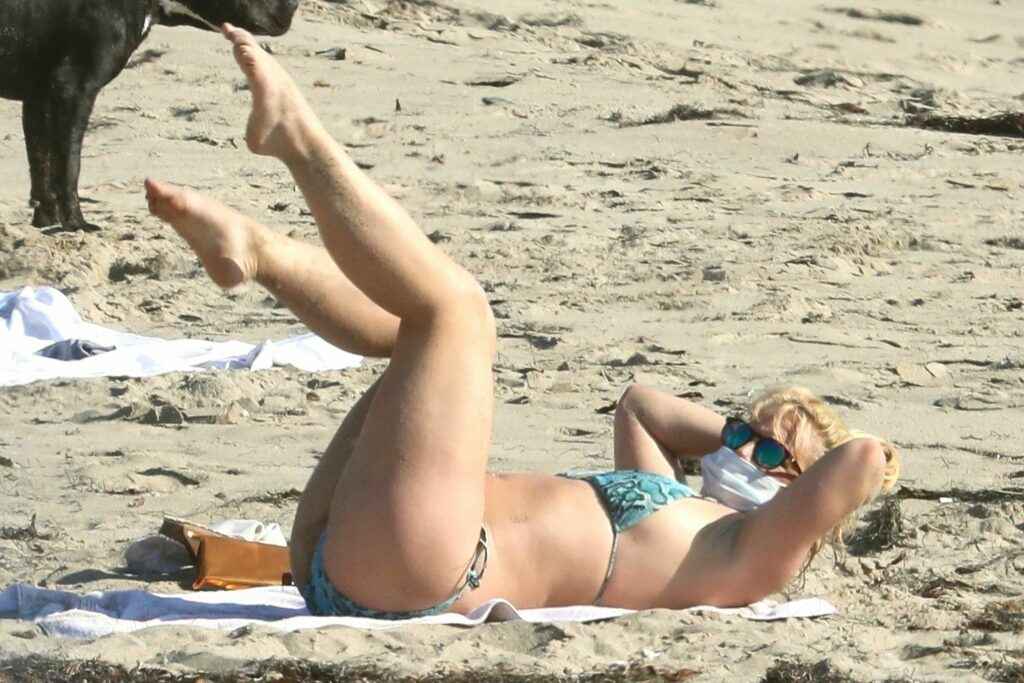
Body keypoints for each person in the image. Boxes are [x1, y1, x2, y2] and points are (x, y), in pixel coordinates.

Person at [145, 24, 901, 619]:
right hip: (356, 551)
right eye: (747, 429)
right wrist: (739, 435)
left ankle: (301, 142)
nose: (744, 445)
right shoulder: (677, 502)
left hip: (429, 568)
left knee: (458, 312)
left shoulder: (750, 557)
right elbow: (640, 404)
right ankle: (262, 253)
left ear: (803, 493)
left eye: (771, 447)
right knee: (411, 338)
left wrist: (800, 466)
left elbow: (864, 458)